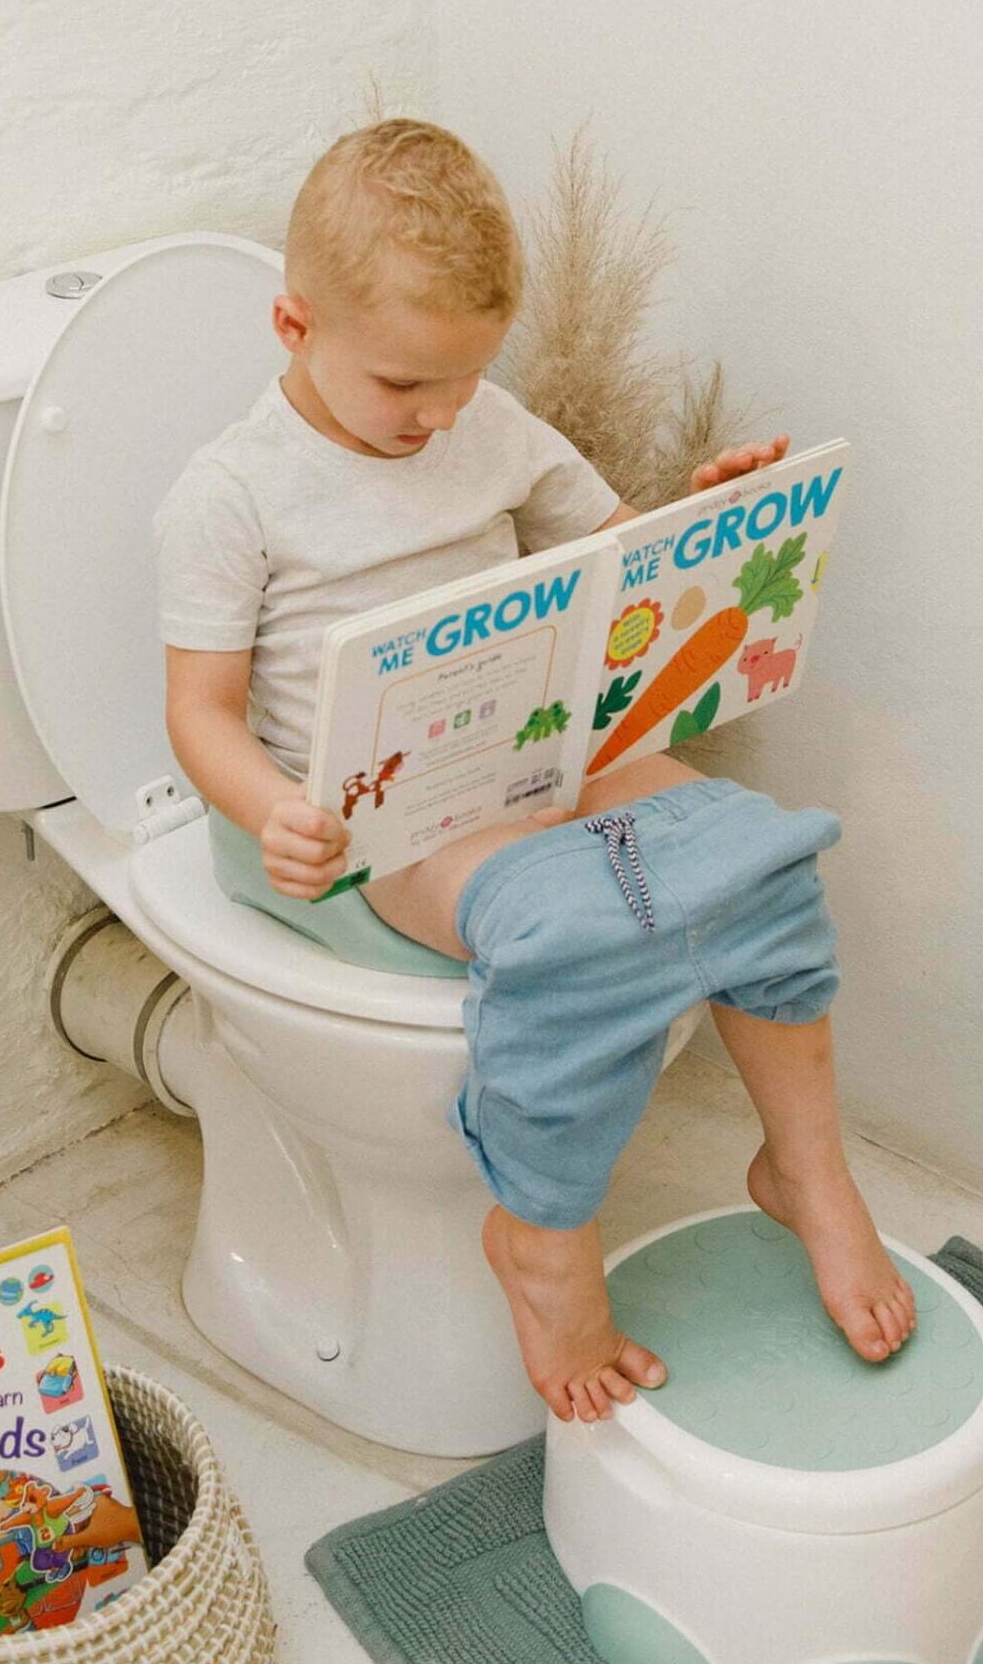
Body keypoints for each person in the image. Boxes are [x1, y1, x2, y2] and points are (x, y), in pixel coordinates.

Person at [155, 118, 914, 1428]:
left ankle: (806, 1174)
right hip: (375, 819)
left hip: (536, 755)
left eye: (463, 380)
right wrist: (274, 806)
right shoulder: (231, 496)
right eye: (404, 386)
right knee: (573, 935)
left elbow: (621, 565)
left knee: (759, 858)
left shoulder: (484, 422)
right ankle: (541, 1238)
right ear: (291, 324)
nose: (438, 415)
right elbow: (199, 712)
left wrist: (706, 519)